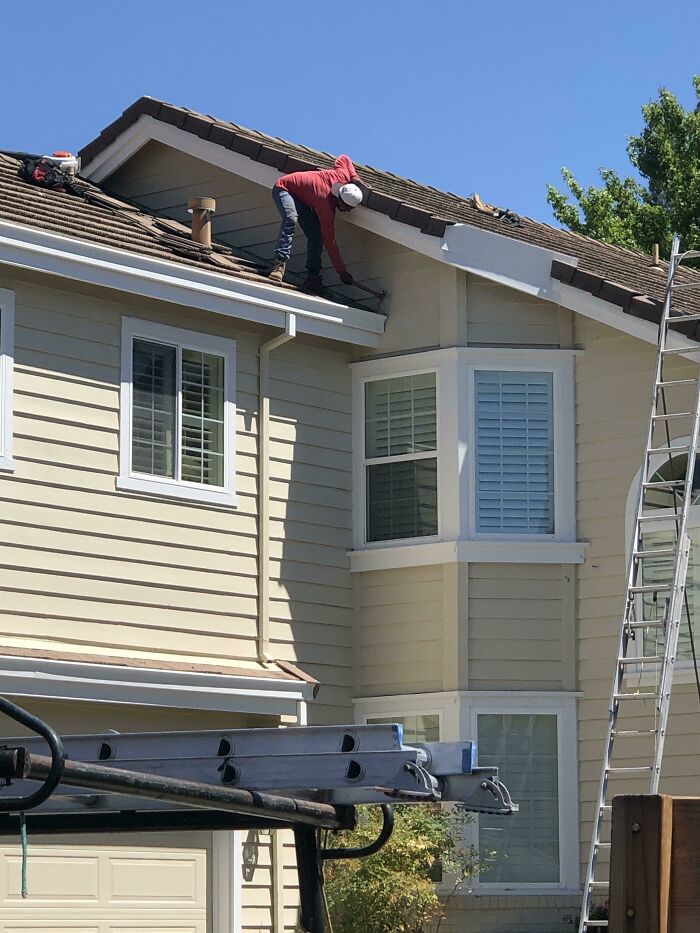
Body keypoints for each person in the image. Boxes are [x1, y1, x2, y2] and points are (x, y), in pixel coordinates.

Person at [269, 155, 363, 291]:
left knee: (316, 236)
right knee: (291, 218)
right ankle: (279, 264)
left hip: (303, 198)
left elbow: (344, 158)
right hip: (285, 188)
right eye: (347, 208)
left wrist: (354, 177)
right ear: (340, 200)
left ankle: (313, 276)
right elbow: (330, 242)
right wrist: (341, 271)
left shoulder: (343, 176)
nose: (348, 211)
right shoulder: (325, 205)